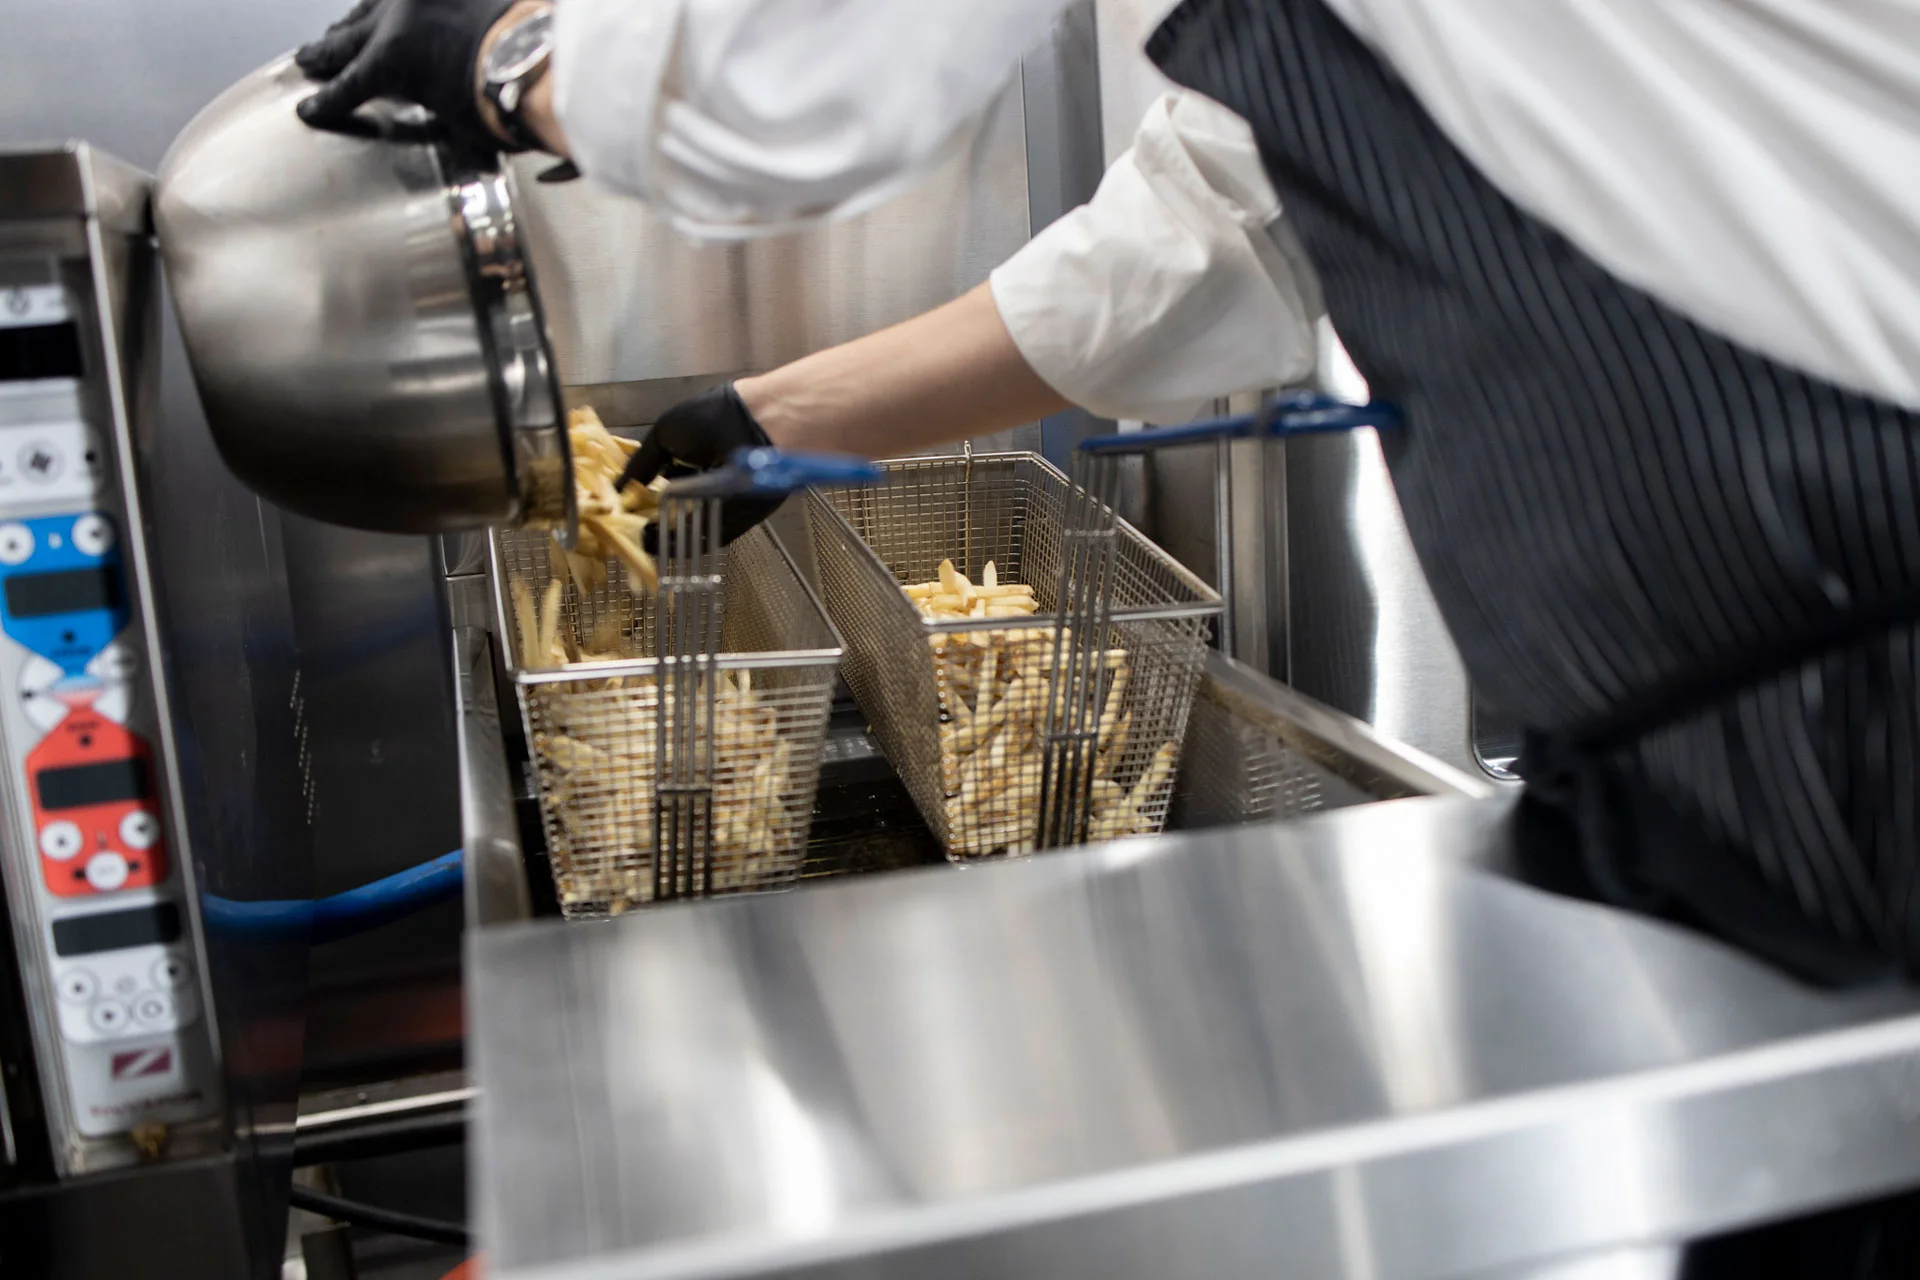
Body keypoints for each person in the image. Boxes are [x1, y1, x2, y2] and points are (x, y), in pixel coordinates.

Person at [294, 2, 1920, 983]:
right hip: (1741, 731)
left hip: (1853, 690)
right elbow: (1213, 228)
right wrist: (767, 416)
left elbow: (776, 78)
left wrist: (513, 60)